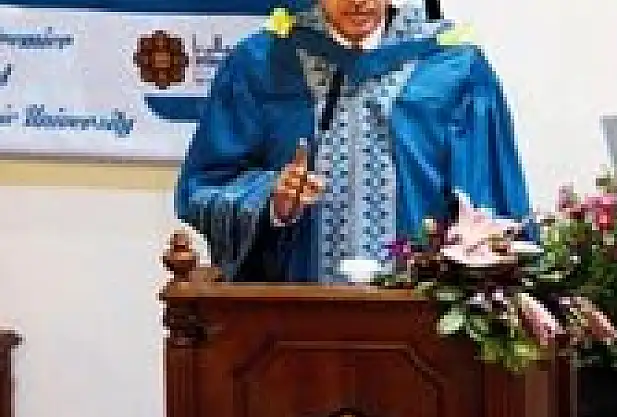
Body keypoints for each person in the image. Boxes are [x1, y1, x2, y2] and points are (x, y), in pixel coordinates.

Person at [175, 0, 532, 283]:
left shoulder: (453, 66)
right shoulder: (261, 63)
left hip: (419, 315)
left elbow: (490, 203)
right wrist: (272, 201)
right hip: (295, 315)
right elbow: (204, 188)